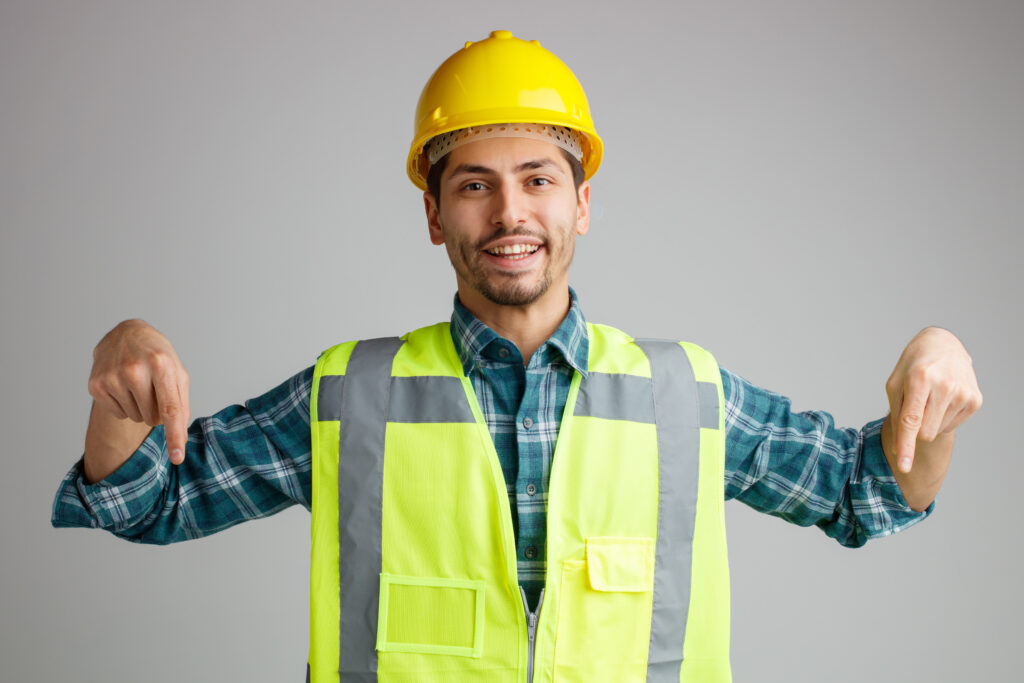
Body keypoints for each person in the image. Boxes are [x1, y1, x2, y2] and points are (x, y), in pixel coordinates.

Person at [52, 31, 982, 683]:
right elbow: (147, 502)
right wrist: (122, 372)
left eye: (539, 179)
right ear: (433, 214)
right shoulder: (349, 396)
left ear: (581, 205)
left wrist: (934, 369)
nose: (509, 214)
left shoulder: (685, 396)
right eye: (474, 186)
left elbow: (870, 492)